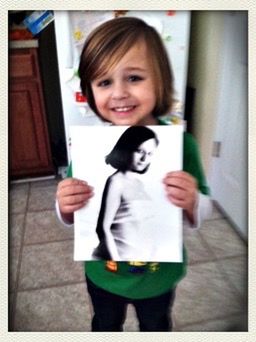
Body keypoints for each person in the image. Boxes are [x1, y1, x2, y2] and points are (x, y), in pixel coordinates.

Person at [56, 16, 212, 331]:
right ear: (90, 91)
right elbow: (86, 217)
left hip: (158, 276)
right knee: (105, 324)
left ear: (160, 81)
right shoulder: (91, 153)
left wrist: (193, 200)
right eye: (104, 82)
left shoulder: (183, 147)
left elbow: (201, 210)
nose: (119, 93)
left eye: (135, 78)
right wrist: (64, 206)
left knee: (156, 325)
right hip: (104, 274)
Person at [93, 126, 159, 261]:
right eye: (140, 151)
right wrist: (116, 262)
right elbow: (103, 228)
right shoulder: (116, 182)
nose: (144, 159)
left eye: (150, 153)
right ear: (127, 148)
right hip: (120, 259)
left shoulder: (139, 184)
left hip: (142, 258)